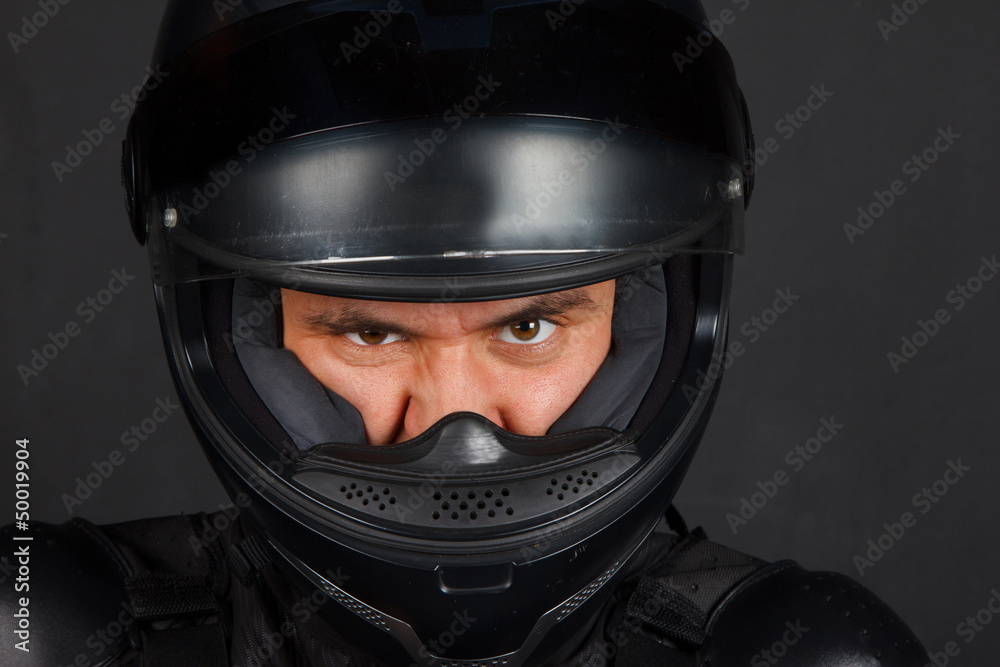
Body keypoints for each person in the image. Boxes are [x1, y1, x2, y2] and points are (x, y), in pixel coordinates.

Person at [1, 0, 927, 665]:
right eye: (369, 334)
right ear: (240, 334)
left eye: (528, 324)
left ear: (653, 314)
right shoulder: (54, 631)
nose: (457, 433)